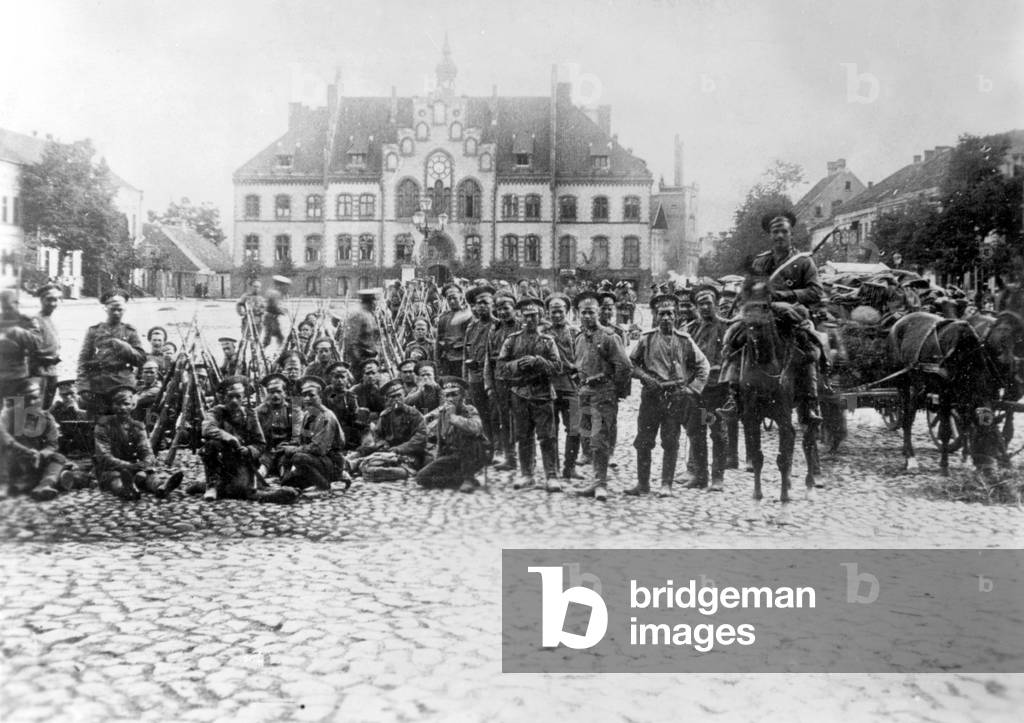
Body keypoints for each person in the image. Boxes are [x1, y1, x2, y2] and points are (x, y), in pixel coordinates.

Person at [628, 294, 710, 497]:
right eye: (662, 314)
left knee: (671, 440)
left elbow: (703, 366)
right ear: (655, 315)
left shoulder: (685, 340)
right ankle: (643, 483)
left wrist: (692, 389)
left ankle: (666, 485)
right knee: (644, 441)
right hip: (651, 396)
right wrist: (645, 378)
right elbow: (631, 364)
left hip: (675, 398)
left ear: (676, 316)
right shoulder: (646, 339)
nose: (666, 318)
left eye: (670, 314)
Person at [570, 292, 632, 501]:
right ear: (578, 314)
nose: (587, 316)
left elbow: (624, 367)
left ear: (599, 312)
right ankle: (594, 480)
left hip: (603, 395)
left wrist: (613, 390)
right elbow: (578, 364)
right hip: (585, 395)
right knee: (587, 440)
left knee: (600, 440)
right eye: (583, 312)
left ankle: (601, 484)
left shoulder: (609, 337)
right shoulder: (578, 338)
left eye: (591, 312)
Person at [497, 296, 563, 491]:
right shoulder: (512, 340)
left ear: (540, 317)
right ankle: (527, 474)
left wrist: (538, 361)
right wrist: (517, 365)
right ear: (520, 316)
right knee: (523, 436)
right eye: (526, 316)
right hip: (520, 393)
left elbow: (558, 367)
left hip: (542, 394)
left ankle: (551, 475)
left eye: (534, 316)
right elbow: (500, 367)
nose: (529, 320)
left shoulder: (548, 341)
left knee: (547, 436)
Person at [200, 376, 297, 504]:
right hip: (221, 461)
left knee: (240, 488)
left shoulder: (250, 414)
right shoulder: (216, 412)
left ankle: (201, 486)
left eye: (238, 397)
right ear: (223, 398)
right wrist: (229, 438)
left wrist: (248, 450)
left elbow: (260, 444)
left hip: (241, 460)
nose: (234, 401)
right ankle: (211, 485)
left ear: (243, 398)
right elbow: (207, 428)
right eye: (230, 397)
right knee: (211, 443)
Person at [94, 386, 183, 500]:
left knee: (149, 475)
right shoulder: (103, 425)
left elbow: (146, 451)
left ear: (133, 406)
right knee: (115, 478)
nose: (122, 408)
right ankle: (127, 490)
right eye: (118, 404)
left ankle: (161, 487)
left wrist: (145, 463)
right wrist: (131, 467)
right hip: (110, 469)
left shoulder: (138, 426)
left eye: (126, 404)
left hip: (135, 469)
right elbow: (104, 456)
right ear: (112, 405)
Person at [0, 381, 80, 500]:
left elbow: (52, 444)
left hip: (34, 460)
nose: (31, 402)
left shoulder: (46, 417)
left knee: (58, 458)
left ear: (40, 398)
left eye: (35, 398)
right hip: (14, 459)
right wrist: (24, 450)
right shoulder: (8, 414)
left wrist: (40, 454)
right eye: (27, 398)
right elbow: (3, 436)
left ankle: (43, 486)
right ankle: (5, 486)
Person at [77, 290, 148, 418]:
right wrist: (83, 387)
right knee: (97, 422)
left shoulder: (130, 331)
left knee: (122, 420)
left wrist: (123, 346)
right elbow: (83, 361)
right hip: (98, 383)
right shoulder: (94, 331)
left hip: (122, 383)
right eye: (113, 309)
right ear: (105, 308)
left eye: (120, 309)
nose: (116, 313)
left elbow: (141, 359)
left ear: (124, 310)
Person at [687, 285, 730, 490]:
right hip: (696, 391)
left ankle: (717, 477)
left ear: (715, 305)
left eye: (708, 303)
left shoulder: (726, 327)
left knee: (716, 432)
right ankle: (700, 475)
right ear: (696, 306)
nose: (705, 307)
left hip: (717, 390)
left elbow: (732, 358)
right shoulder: (691, 329)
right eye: (701, 304)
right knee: (696, 432)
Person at [416, 377, 489, 493]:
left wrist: (454, 419)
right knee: (421, 478)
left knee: (467, 436)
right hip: (453, 456)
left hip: (474, 454)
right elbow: (441, 441)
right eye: (447, 395)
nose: (450, 399)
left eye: (454, 394)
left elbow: (476, 428)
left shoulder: (469, 410)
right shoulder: (443, 412)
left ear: (462, 396)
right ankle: (458, 480)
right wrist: (438, 462)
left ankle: (468, 478)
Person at [279, 376, 348, 491]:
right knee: (287, 481)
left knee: (298, 457)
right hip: (315, 461)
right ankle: (306, 479)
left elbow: (319, 449)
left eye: (311, 395)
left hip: (331, 461)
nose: (307, 398)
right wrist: (288, 447)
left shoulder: (326, 417)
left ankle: (325, 485)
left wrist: (294, 450)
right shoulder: (308, 415)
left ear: (320, 397)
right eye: (304, 395)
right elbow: (303, 440)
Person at [354, 379, 427, 483]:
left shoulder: (415, 415)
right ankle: (366, 467)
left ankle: (378, 471)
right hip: (389, 453)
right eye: (393, 397)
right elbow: (378, 435)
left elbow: (420, 439)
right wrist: (382, 443)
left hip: (410, 454)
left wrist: (398, 449)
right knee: (371, 459)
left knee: (401, 470)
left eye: (399, 395)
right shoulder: (385, 415)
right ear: (387, 399)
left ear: (404, 395)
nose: (397, 399)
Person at [544, 293, 583, 481]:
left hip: (571, 385)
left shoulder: (576, 332)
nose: (557, 315)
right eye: (553, 311)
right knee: (551, 430)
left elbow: (582, 358)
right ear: (547, 312)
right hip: (549, 385)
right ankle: (554, 468)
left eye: (560, 311)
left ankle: (570, 466)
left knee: (575, 428)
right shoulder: (542, 333)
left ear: (567, 312)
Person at [483, 292, 519, 471]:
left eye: (506, 308)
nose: (503, 312)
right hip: (500, 381)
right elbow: (488, 360)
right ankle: (510, 456)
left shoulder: (522, 328)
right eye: (499, 309)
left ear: (514, 309)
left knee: (522, 421)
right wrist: (488, 384)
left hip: (519, 381)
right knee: (504, 419)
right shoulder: (495, 330)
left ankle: (528, 459)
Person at [463, 285, 495, 448]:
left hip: (494, 378)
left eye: (485, 302)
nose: (481, 306)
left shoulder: (498, 326)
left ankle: (501, 447)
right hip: (475, 376)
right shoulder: (471, 327)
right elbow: (466, 354)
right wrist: (465, 380)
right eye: (477, 303)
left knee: (496, 413)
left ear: (492, 304)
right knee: (481, 412)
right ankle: (488, 444)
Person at [0, 289, 42, 401]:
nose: (6, 309)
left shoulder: (26, 321)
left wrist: (14, 331)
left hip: (19, 379)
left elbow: (37, 344)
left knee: (17, 415)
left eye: (10, 304)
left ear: (17, 303)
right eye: (4, 305)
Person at [255, 373, 300, 478]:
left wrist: (287, 446)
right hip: (267, 449)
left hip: (286, 448)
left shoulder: (294, 410)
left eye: (279, 392)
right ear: (267, 394)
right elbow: (256, 435)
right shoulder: (259, 412)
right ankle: (261, 474)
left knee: (286, 462)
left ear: (285, 393)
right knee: (263, 462)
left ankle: (285, 474)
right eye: (271, 392)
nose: (275, 395)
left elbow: (297, 435)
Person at [32, 284, 63, 409]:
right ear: (41, 300)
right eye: (49, 299)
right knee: (34, 410)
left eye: (56, 299)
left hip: (51, 372)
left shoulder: (50, 320)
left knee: (45, 409)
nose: (53, 303)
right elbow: (32, 349)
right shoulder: (34, 321)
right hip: (38, 373)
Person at [343, 289, 383, 382]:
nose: (376, 304)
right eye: (375, 301)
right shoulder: (358, 315)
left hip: (371, 359)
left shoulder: (370, 315)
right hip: (362, 361)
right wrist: (359, 362)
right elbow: (351, 341)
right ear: (371, 302)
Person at [435, 283, 472, 377]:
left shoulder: (469, 315)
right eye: (449, 299)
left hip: (462, 359)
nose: (452, 301)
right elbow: (438, 340)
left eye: (454, 298)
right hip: (446, 359)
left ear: (461, 297)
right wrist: (437, 360)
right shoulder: (444, 317)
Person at [323, 361, 360, 449]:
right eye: (336, 377)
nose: (340, 380)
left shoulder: (350, 395)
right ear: (331, 379)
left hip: (345, 429)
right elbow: (329, 401)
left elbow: (354, 416)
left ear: (347, 379)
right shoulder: (328, 392)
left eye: (343, 377)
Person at [133, 359, 163, 427]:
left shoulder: (157, 389)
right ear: (142, 374)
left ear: (157, 375)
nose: (148, 375)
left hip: (148, 424)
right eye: (146, 372)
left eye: (152, 372)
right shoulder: (141, 386)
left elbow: (136, 400)